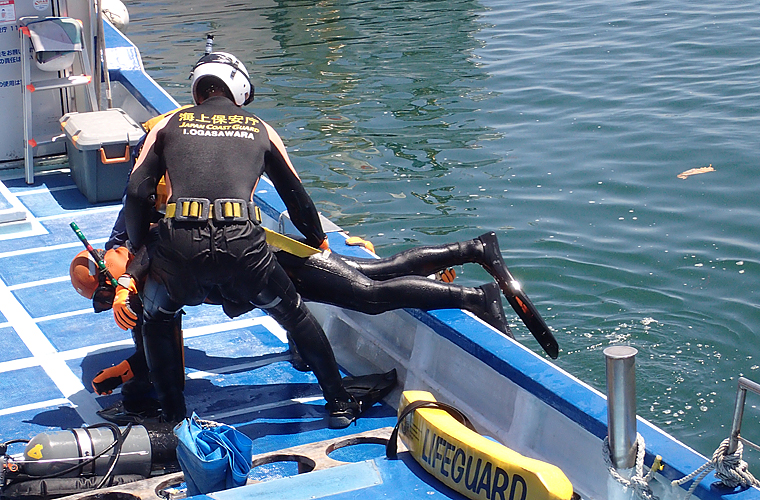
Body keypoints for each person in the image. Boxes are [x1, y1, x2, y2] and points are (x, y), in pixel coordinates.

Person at [121, 51, 359, 428]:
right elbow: (296, 197)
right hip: (243, 246)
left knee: (157, 319)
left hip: (180, 246)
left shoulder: (167, 125)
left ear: (198, 88)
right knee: (295, 314)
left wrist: (139, 250)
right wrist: (319, 240)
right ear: (239, 90)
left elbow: (137, 193)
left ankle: (173, 417)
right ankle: (339, 402)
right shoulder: (260, 129)